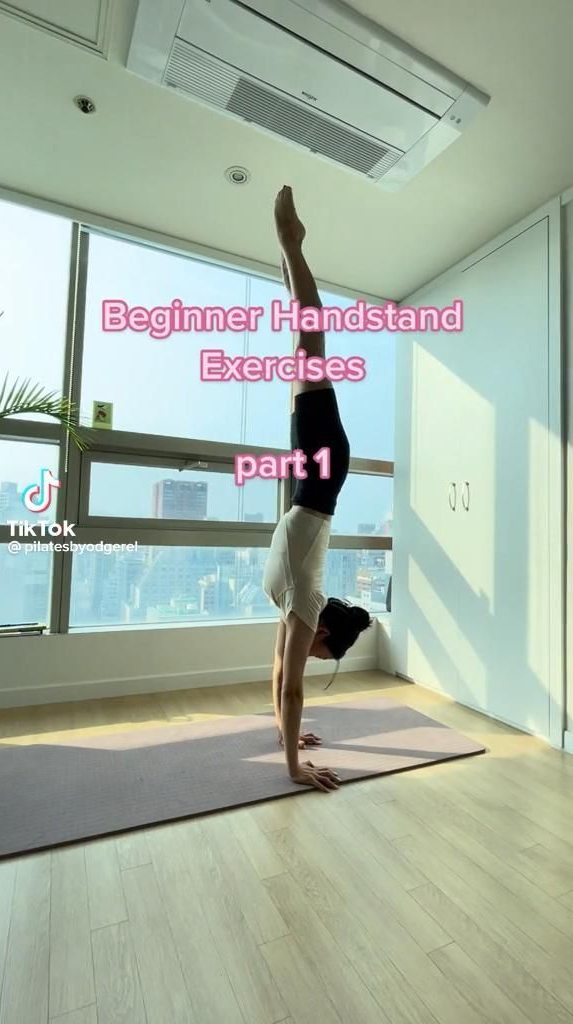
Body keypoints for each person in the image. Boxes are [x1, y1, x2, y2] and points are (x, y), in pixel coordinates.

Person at [262, 185, 372, 793]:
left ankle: (290, 252)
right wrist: (290, 748)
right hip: (314, 478)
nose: (312, 657)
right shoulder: (299, 601)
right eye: (323, 656)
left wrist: (289, 751)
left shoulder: (302, 605)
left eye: (322, 659)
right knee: (308, 345)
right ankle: (290, 249)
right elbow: (285, 676)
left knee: (307, 343)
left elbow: (286, 679)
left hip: (317, 480)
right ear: (324, 635)